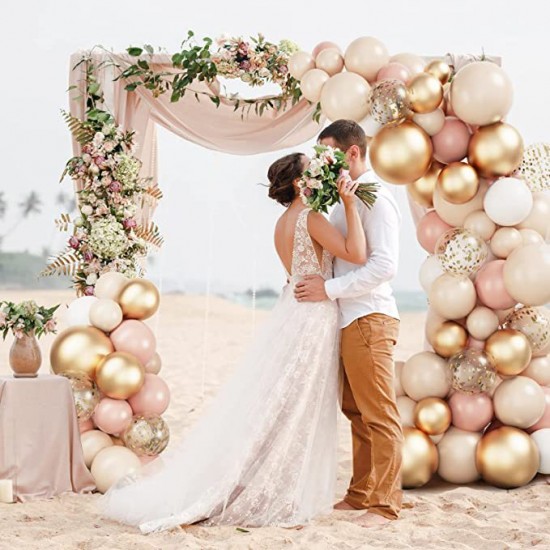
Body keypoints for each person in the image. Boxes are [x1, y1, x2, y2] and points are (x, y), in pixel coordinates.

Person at [100, 152, 366, 533]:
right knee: (297, 408)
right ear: (298, 183)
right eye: (314, 170)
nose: (320, 174)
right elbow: (356, 253)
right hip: (312, 317)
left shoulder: (282, 223)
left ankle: (262, 478)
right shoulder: (311, 218)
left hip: (294, 311)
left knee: (283, 405)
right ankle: (275, 489)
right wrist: (350, 205)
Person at [295, 119, 403, 528]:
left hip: (370, 316)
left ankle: (386, 503)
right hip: (347, 318)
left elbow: (384, 266)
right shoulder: (346, 199)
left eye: (328, 152)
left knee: (379, 414)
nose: (323, 161)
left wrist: (331, 289)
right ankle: (361, 494)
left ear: (352, 152)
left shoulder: (376, 197)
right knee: (355, 411)